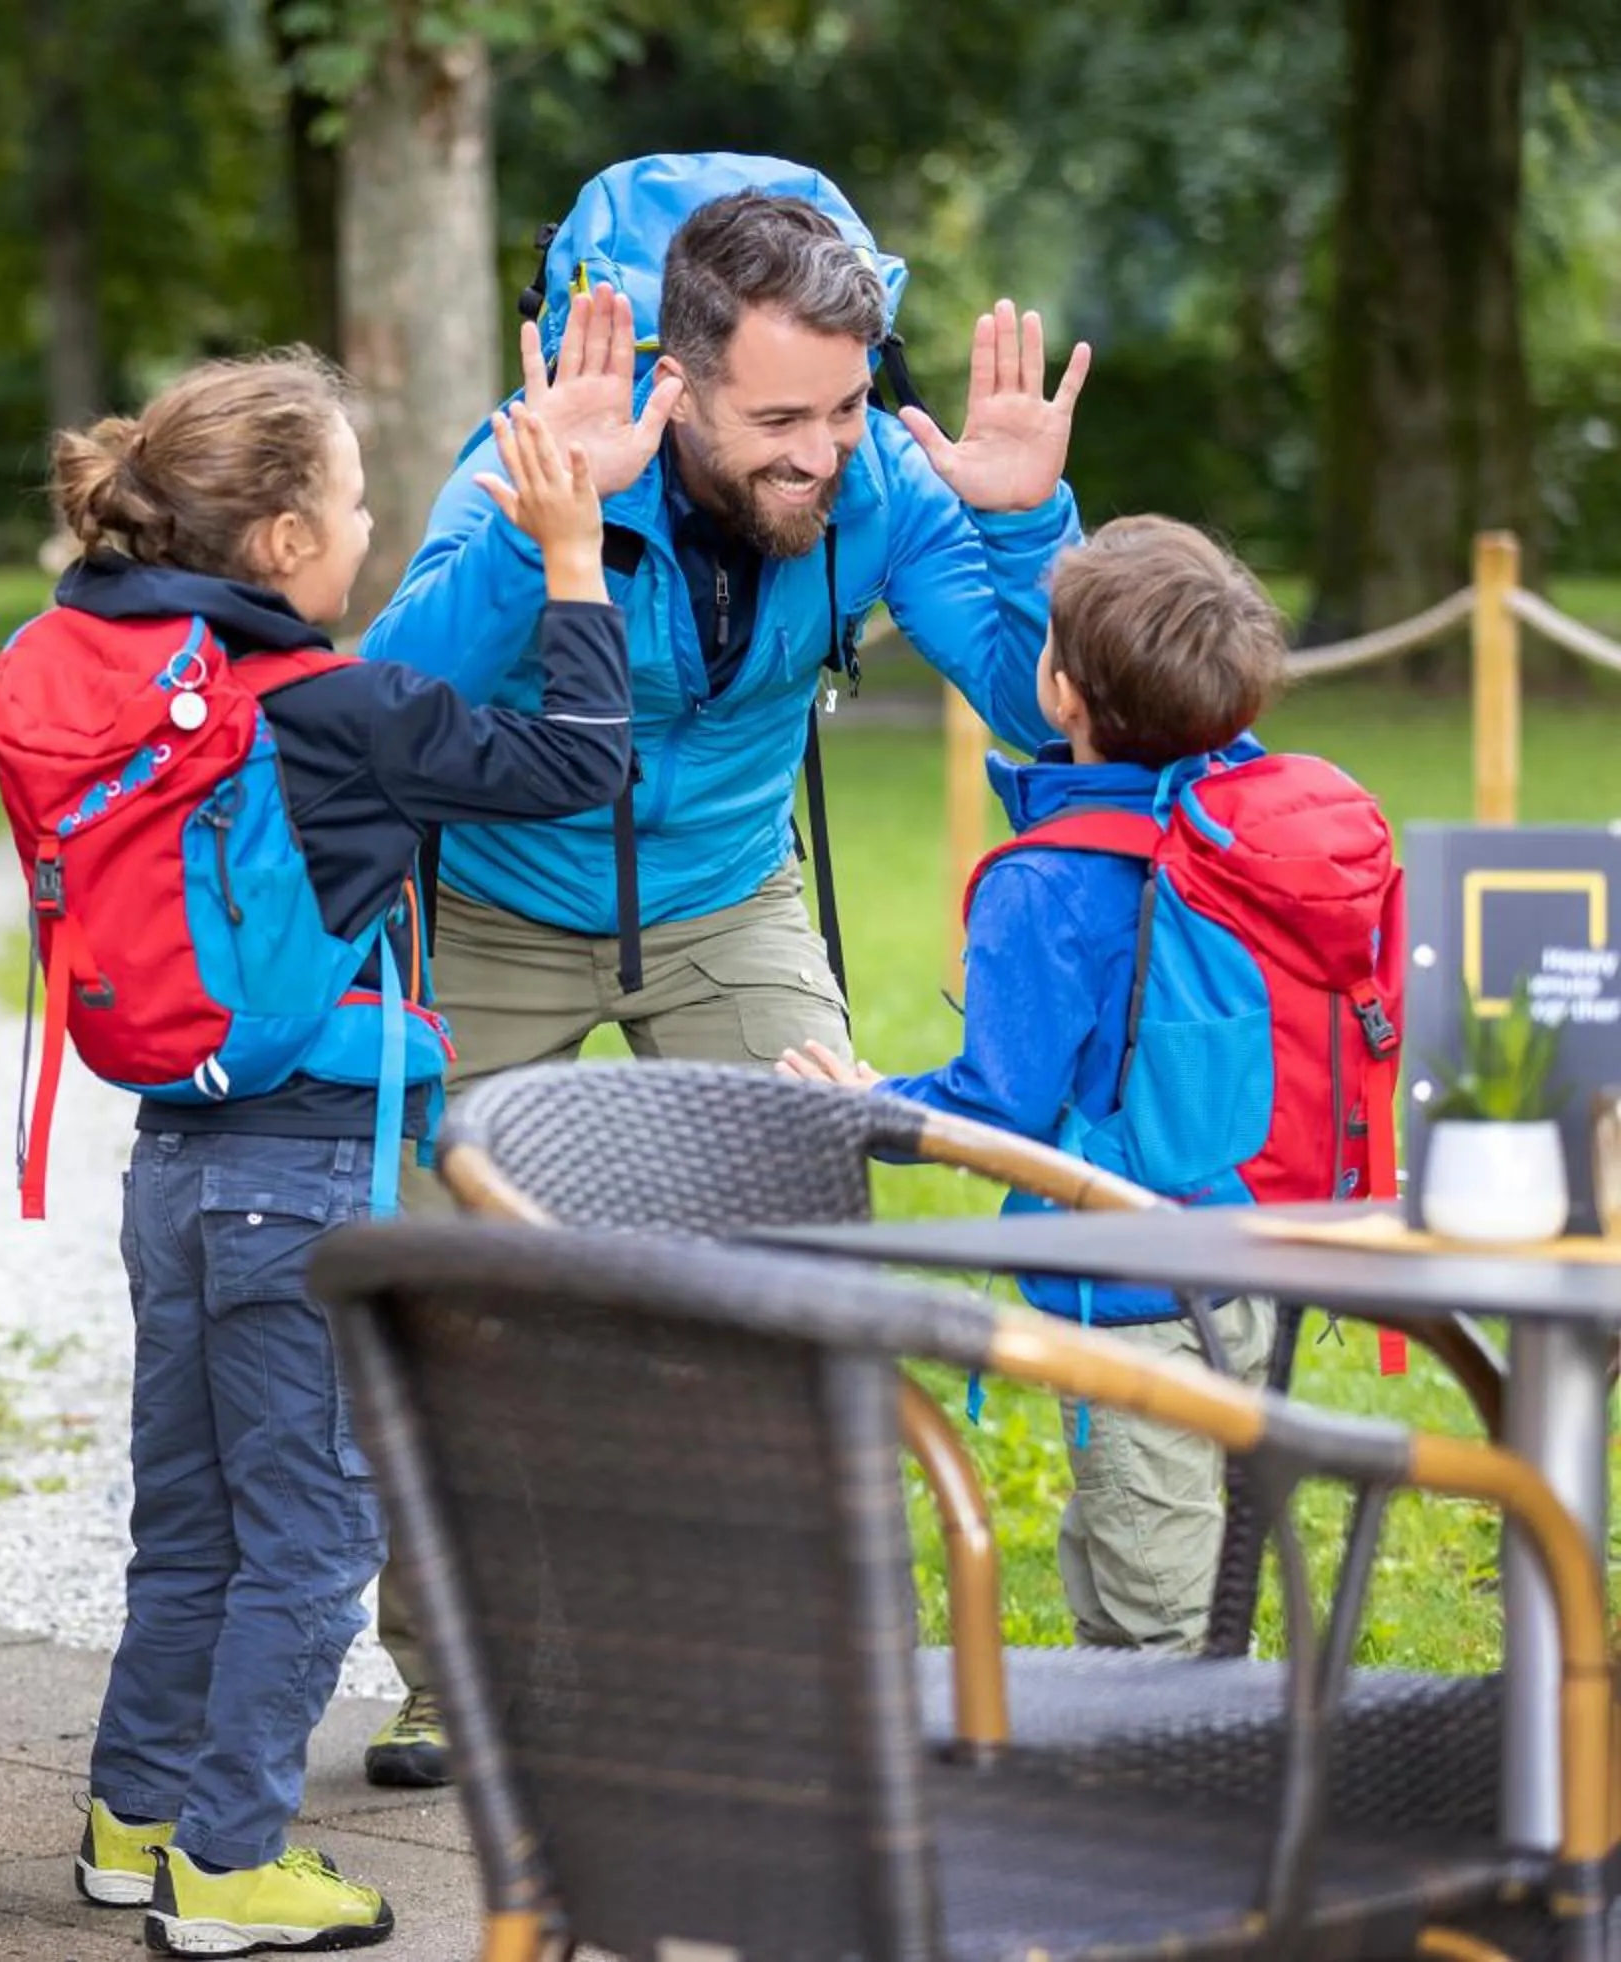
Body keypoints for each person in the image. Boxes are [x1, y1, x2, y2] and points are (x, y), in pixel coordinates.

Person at [349, 158, 1093, 1787]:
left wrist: (1030, 521)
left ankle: (799, 1650)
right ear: (674, 382)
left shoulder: (881, 484)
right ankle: (459, 1673)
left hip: (728, 896)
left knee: (806, 1248)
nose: (819, 453)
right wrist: (558, 523)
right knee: (454, 1293)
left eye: (841, 407)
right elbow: (386, 709)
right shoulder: (535, 457)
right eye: (780, 422)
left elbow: (1051, 707)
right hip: (494, 900)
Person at [1, 351, 650, 1954]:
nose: (367, 524)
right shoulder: (342, 712)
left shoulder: (98, 665)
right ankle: (228, 1863)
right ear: (287, 542)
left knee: (197, 1515)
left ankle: (131, 1814)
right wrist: (575, 561)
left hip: (167, 1159)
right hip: (302, 1175)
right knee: (314, 1533)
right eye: (357, 499)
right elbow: (582, 766)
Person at [781, 515, 1362, 1652]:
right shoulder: (1240, 824)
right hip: (1256, 1258)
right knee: (1132, 1563)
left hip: (1134, 1292)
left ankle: (1196, 1801)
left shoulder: (1042, 885)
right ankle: (1148, 1768)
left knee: (1163, 1618)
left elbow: (1003, 1110)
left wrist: (865, 1110)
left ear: (1058, 689)